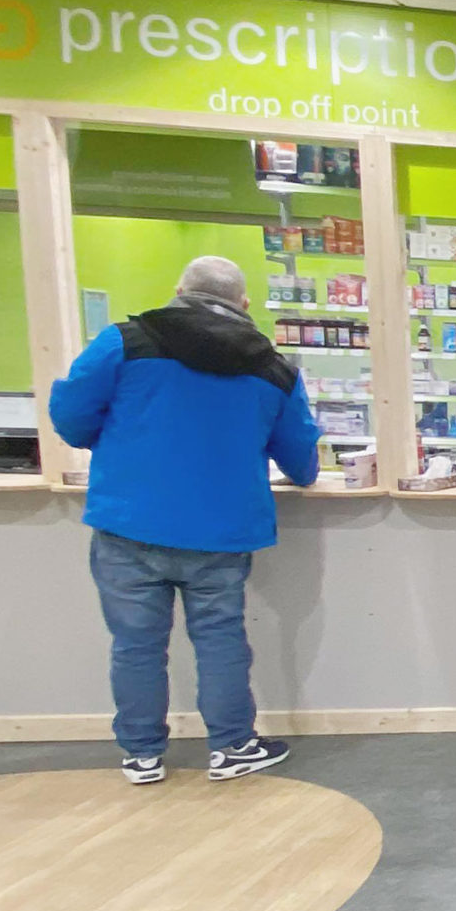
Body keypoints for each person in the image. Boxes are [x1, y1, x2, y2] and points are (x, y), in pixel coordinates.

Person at [49, 255, 320, 784]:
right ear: (244, 305)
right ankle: (232, 746)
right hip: (220, 531)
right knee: (220, 638)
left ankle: (142, 753)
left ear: (178, 290)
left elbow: (71, 418)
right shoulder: (273, 369)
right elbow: (303, 464)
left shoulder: (124, 342)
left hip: (130, 521)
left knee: (135, 644)